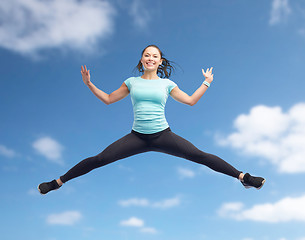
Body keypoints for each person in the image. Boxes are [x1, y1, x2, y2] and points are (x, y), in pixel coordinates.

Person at [38, 44, 265, 195]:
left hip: (163, 135)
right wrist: (89, 83)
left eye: (155, 56)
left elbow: (190, 101)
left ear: (160, 61)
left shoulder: (167, 84)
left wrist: (206, 82)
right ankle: (58, 182)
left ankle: (243, 177)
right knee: (100, 159)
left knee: (200, 156)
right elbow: (108, 99)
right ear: (142, 59)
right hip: (137, 137)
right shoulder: (131, 82)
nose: (150, 58)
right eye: (147, 55)